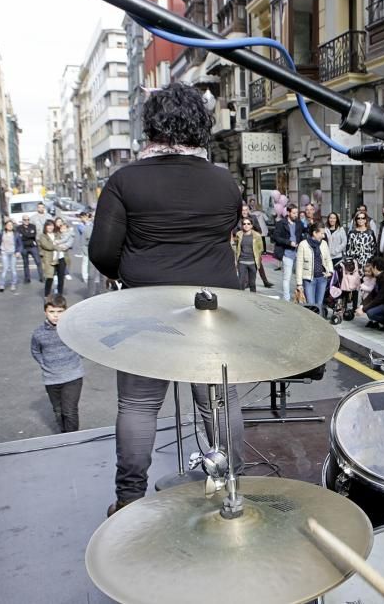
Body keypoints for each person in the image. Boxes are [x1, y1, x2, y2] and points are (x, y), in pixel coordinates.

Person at [89, 82, 246, 516]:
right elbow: (225, 234)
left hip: (147, 308)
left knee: (138, 404)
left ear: (151, 125)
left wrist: (136, 273)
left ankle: (128, 497)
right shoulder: (224, 182)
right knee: (219, 400)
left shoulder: (124, 181)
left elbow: (102, 253)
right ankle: (230, 480)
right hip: (212, 308)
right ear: (200, 126)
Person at [30, 294, 84, 433]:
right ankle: (64, 436)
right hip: (51, 378)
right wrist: (45, 364)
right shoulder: (38, 333)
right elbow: (35, 351)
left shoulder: (73, 328)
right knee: (58, 411)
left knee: (69, 411)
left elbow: (83, 346)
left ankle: (73, 440)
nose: (55, 316)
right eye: (51, 312)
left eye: (60, 312)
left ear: (66, 311)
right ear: (45, 312)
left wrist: (75, 361)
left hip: (73, 376)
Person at [295, 222, 334, 313]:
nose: (323, 236)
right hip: (309, 280)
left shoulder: (323, 243)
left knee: (319, 304)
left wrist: (330, 271)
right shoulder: (303, 244)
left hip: (322, 278)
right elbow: (299, 265)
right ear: (314, 233)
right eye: (322, 233)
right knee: (311, 305)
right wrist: (299, 284)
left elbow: (328, 259)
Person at [272, 204, 306, 301]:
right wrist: (288, 242)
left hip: (298, 253)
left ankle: (299, 296)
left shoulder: (299, 223)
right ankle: (286, 298)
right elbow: (276, 237)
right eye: (294, 213)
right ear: (288, 212)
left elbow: (303, 234)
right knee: (287, 277)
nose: (296, 215)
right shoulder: (281, 223)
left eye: (297, 213)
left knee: (299, 276)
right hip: (287, 253)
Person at [232, 217, 264, 291]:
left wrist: (257, 259)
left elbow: (260, 249)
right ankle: (241, 299)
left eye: (248, 224)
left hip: (253, 263)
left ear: (252, 225)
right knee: (241, 283)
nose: (246, 225)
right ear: (242, 225)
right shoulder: (239, 234)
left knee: (252, 283)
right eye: (244, 224)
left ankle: (253, 300)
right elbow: (236, 246)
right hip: (242, 262)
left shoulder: (257, 236)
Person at [38, 220, 66, 297]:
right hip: (49, 259)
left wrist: (62, 246)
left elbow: (64, 242)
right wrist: (58, 247)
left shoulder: (57, 234)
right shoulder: (42, 236)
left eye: (52, 225)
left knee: (61, 278)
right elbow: (47, 246)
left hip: (60, 258)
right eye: (48, 225)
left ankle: (60, 294)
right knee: (49, 278)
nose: (50, 227)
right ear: (45, 227)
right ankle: (47, 295)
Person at [17, 214, 43, 283]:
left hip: (32, 246)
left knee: (38, 262)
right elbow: (21, 237)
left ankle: (42, 277)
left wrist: (25, 235)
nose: (26, 221)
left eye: (28, 219)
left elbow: (33, 235)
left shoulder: (33, 226)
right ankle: (27, 278)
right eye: (25, 220)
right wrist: (28, 235)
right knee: (26, 263)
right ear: (22, 220)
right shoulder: (19, 228)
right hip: (24, 247)